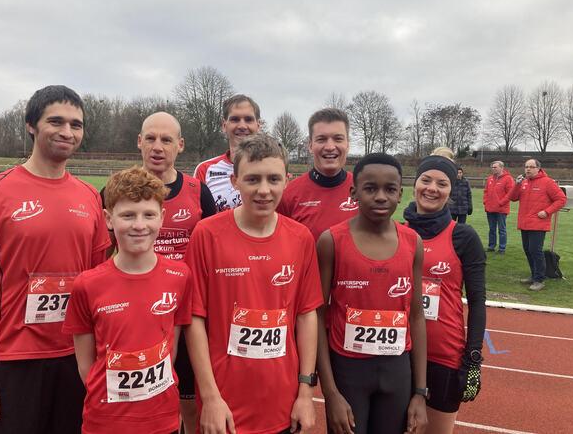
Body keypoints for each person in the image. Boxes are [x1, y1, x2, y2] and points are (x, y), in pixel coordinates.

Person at [0, 85, 111, 433]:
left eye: (76, 124)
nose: (67, 132)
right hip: (11, 362)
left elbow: (98, 284)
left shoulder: (89, 197)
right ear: (31, 125)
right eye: (56, 121)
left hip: (74, 360)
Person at [185, 133, 323, 434]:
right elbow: (194, 319)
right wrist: (210, 397)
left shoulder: (301, 238)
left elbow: (306, 315)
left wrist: (305, 391)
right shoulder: (206, 235)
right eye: (252, 179)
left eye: (273, 179)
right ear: (234, 181)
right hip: (224, 406)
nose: (263, 190)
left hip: (283, 403)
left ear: (286, 181)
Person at [101, 111, 216, 433]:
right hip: (132, 310)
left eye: (166, 140)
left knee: (189, 401)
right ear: (139, 142)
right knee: (139, 397)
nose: (157, 146)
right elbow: (101, 253)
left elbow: (213, 248)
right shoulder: (114, 190)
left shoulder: (198, 191)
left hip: (186, 311)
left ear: (180, 145)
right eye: (150, 138)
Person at [63, 167, 192, 434]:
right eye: (128, 215)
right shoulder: (87, 285)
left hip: (162, 419)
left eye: (149, 215)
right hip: (106, 422)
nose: (139, 225)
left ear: (162, 217)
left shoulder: (180, 276)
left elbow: (171, 348)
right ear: (109, 219)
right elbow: (86, 366)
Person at [316, 154, 428, 434]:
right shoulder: (331, 241)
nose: (380, 197)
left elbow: (416, 315)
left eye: (389, 189)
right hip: (348, 371)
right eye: (370, 188)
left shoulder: (413, 242)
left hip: (397, 370)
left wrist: (420, 392)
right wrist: (330, 392)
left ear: (400, 194)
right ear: (354, 192)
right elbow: (316, 316)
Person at [403, 155, 486, 434]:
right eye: (426, 180)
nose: (432, 188)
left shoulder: (464, 237)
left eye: (442, 183)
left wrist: (473, 357)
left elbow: (477, 301)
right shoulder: (396, 233)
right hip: (399, 354)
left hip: (444, 356)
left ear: (451, 190)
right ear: (415, 184)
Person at [277, 108, 358, 240]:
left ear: (347, 144)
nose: (330, 147)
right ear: (310, 145)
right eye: (321, 139)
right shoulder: (288, 195)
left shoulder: (364, 190)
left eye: (338, 139)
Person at [500, 159, 566, 291]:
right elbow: (513, 197)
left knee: (535, 251)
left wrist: (547, 212)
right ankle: (534, 275)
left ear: (538, 169)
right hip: (524, 223)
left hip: (538, 223)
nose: (528, 169)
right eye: (526, 167)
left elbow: (561, 199)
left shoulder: (548, 182)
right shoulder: (523, 182)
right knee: (528, 250)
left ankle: (539, 280)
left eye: (531, 167)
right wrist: (517, 184)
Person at [194, 94, 261, 212]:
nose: (242, 126)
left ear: (258, 126)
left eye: (248, 119)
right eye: (235, 119)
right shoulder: (204, 169)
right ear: (224, 126)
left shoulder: (273, 168)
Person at [483, 161, 514, 254]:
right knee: (492, 229)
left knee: (502, 230)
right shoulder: (490, 178)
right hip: (490, 208)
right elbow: (486, 191)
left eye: (495, 167)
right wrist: (485, 201)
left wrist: (501, 202)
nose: (493, 169)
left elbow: (510, 193)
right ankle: (491, 246)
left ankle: (502, 248)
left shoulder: (508, 179)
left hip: (501, 209)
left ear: (501, 168)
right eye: (492, 167)